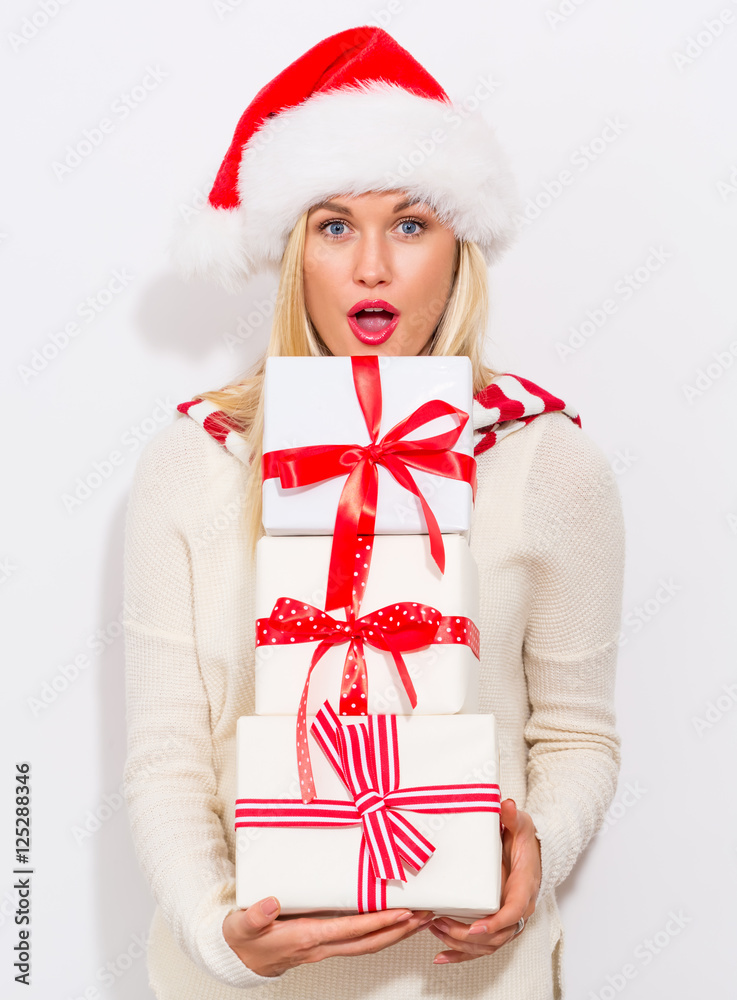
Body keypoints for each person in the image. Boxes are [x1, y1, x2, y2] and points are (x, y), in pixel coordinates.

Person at [122, 26, 625, 1000]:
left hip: (468, 979)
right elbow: (163, 757)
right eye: (334, 224)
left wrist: (534, 857)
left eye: (409, 223)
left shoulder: (544, 460)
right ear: (291, 250)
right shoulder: (192, 464)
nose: (371, 267)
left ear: (458, 247)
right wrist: (221, 936)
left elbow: (575, 735)